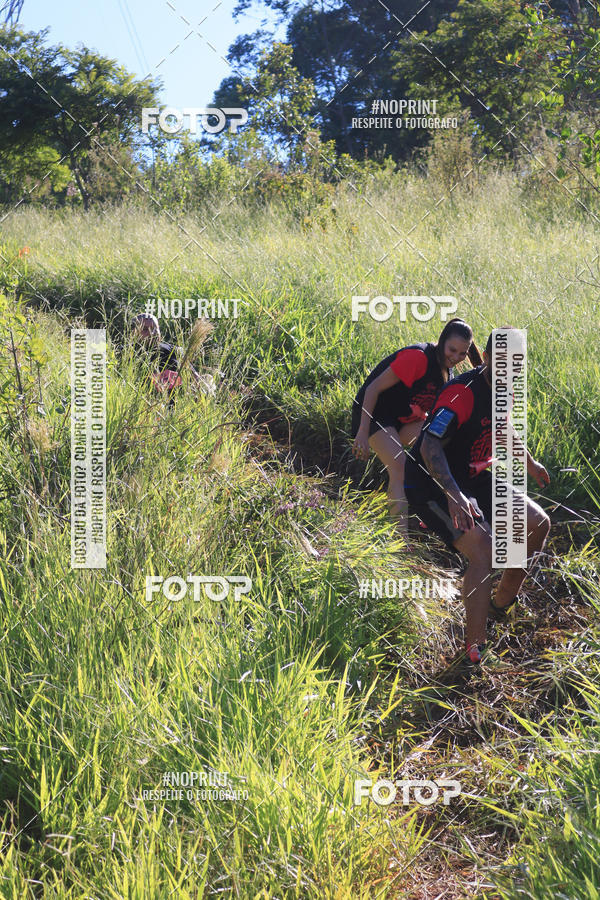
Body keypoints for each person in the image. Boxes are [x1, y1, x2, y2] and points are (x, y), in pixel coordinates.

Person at [403, 328, 551, 667]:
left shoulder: (504, 389)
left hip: (471, 475)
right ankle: (474, 649)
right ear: (486, 358)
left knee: (536, 523)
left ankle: (501, 604)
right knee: (484, 551)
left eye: (516, 364)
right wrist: (454, 494)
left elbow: (502, 427)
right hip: (432, 483)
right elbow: (429, 445)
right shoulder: (461, 394)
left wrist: (529, 463)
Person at [351, 319, 481, 537]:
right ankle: (399, 540)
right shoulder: (418, 358)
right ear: (442, 341)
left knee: (440, 449)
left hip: (400, 420)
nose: (456, 357)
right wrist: (362, 432)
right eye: (452, 350)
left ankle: (431, 516)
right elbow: (372, 389)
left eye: (462, 353)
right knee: (399, 468)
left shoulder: (447, 374)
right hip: (373, 414)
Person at [131, 312, 210, 401]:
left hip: (179, 403)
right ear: (134, 332)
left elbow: (195, 379)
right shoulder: (124, 354)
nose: (152, 333)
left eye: (155, 328)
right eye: (145, 329)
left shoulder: (174, 350)